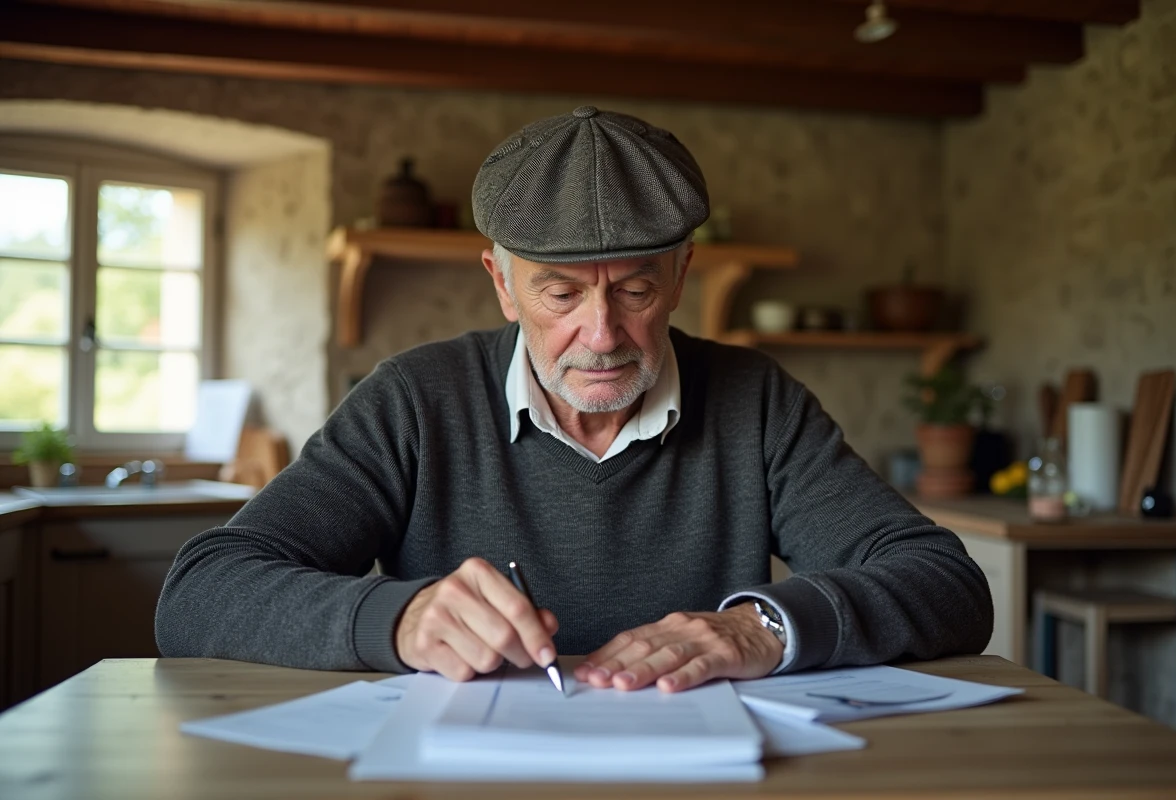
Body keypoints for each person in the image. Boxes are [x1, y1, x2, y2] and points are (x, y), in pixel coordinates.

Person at [156, 106, 992, 694]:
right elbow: (200, 592)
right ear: (502, 285)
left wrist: (763, 628)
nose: (602, 335)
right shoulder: (413, 400)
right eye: (560, 295)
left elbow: (948, 584)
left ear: (680, 277)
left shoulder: (756, 402)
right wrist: (401, 618)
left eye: (633, 290)